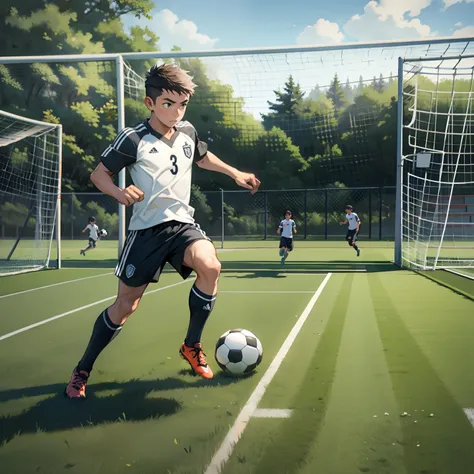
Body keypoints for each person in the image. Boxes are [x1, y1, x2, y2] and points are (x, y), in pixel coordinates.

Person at [65, 64, 260, 398]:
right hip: (146, 232)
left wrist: (235, 173)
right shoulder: (133, 138)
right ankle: (82, 370)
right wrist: (120, 193)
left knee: (210, 265)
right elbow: (99, 175)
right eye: (168, 103)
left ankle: (191, 345)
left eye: (182, 105)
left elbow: (202, 158)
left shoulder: (186, 131)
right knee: (125, 306)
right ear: (150, 103)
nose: (176, 111)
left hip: (182, 224)